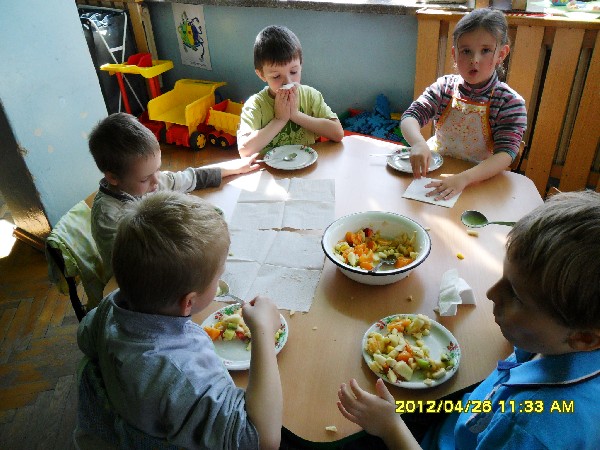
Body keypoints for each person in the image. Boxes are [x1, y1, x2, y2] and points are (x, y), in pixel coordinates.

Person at [337, 190, 600, 450]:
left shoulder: (528, 429)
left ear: (585, 337)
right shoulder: (560, 342)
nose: (491, 293)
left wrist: (391, 427)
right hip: (463, 414)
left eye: (517, 296)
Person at [76, 191, 283, 449]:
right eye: (218, 277)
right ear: (189, 302)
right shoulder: (181, 374)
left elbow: (85, 338)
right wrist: (263, 331)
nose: (218, 281)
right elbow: (262, 439)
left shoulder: (110, 305)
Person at [88, 112, 259, 278]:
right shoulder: (108, 216)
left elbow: (189, 178)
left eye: (158, 169)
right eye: (145, 178)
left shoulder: (150, 181)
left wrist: (234, 168)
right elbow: (131, 267)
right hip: (136, 280)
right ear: (113, 178)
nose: (157, 181)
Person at [401, 8, 527, 201]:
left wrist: (464, 178)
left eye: (485, 51)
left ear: (501, 54)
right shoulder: (444, 88)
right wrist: (418, 143)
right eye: (466, 51)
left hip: (479, 179)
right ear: (454, 53)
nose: (474, 60)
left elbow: (505, 154)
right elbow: (411, 116)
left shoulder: (509, 102)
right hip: (436, 172)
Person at [237, 25, 344, 157]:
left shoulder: (310, 96)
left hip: (307, 165)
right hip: (271, 168)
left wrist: (295, 115)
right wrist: (280, 120)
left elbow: (338, 134)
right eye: (276, 76)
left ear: (300, 66)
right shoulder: (256, 105)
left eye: (293, 72)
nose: (288, 82)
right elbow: (244, 151)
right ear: (262, 75)